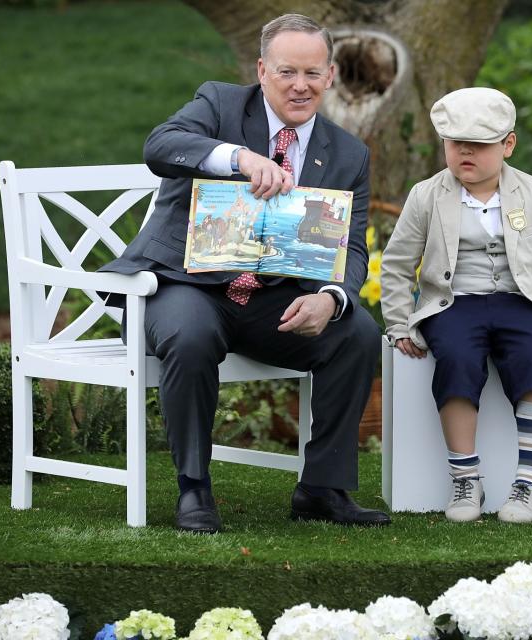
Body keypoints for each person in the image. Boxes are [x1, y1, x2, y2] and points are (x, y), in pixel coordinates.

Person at [101, 13, 389, 533]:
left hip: (269, 299)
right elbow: (159, 146)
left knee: (358, 331)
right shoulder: (219, 104)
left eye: (312, 73)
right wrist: (236, 157)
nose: (299, 86)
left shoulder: (348, 153)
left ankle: (322, 488)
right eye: (286, 72)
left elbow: (350, 246)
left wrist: (330, 297)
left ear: (330, 75)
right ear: (261, 70)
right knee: (191, 335)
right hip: (181, 284)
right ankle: (194, 488)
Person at [380, 87, 532, 524]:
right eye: (456, 144)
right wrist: (399, 324)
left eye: (480, 144)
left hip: (521, 300)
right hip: (453, 302)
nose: (466, 152)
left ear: (508, 144)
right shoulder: (427, 195)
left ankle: (528, 482)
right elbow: (398, 265)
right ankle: (465, 476)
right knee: (455, 356)